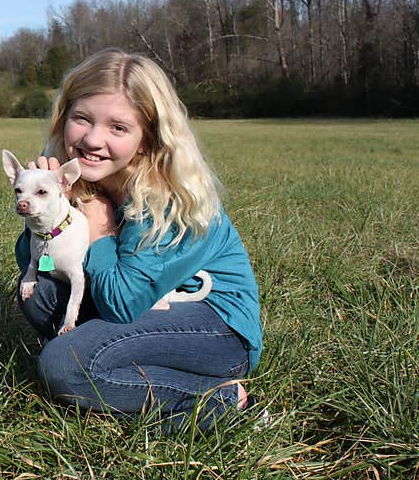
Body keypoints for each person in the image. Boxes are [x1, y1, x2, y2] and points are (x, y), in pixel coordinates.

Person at [14, 48, 263, 431]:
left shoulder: (171, 201)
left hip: (215, 327)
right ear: (63, 120)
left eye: (118, 128)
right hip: (152, 309)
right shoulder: (79, 181)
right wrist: (47, 206)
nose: (93, 139)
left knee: (62, 365)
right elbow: (35, 259)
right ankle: (112, 364)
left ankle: (218, 398)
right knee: (39, 293)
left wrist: (97, 226)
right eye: (82, 118)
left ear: (148, 138)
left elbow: (122, 302)